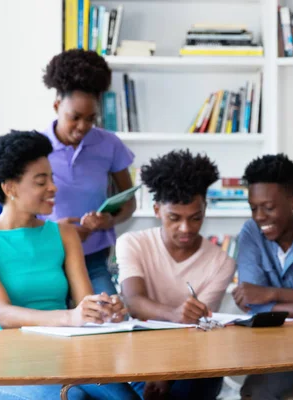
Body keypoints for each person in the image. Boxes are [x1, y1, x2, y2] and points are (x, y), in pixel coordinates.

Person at [0, 130, 140, 400]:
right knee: (74, 397)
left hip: (65, 356)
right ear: (9, 188)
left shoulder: (64, 234)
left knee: (125, 397)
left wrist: (104, 310)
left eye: (52, 178)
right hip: (5, 367)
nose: (53, 188)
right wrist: (71, 317)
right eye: (41, 181)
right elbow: (3, 314)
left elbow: (84, 300)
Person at [116, 149, 235, 400]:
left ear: (205, 208)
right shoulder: (132, 243)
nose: (186, 228)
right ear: (157, 210)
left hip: (195, 360)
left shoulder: (221, 261)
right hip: (142, 357)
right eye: (174, 218)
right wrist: (174, 314)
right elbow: (134, 302)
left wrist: (167, 374)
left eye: (195, 218)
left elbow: (198, 331)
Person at [232, 154, 293, 400]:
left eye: (268, 207)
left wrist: (273, 293)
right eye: (253, 208)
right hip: (273, 347)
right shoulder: (251, 233)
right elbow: (253, 303)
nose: (259, 217)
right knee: (253, 394)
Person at [40, 48, 136, 295]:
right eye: (75, 117)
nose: (83, 126)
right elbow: (15, 211)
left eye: (91, 118)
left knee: (110, 322)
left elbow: (128, 202)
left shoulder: (109, 144)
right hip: (46, 258)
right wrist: (57, 231)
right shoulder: (35, 147)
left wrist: (110, 220)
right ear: (56, 105)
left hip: (93, 259)